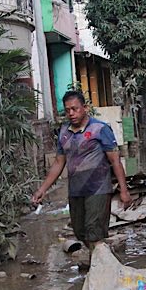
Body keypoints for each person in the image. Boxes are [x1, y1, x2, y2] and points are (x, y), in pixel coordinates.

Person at [31, 91, 132, 251]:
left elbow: (115, 161)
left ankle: (99, 263)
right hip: (76, 190)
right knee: (80, 231)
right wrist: (42, 189)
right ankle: (102, 257)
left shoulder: (100, 129)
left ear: (85, 108)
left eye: (75, 109)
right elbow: (59, 162)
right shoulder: (64, 132)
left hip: (98, 189)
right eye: (67, 110)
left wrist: (124, 191)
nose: (71, 113)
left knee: (94, 231)